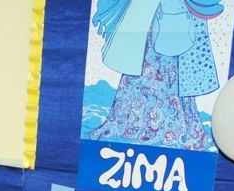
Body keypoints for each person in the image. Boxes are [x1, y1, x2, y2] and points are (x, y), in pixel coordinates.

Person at [88, 0, 223, 150]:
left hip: (174, 19)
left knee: (171, 68)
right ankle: (137, 123)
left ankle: (170, 126)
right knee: (143, 63)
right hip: (149, 18)